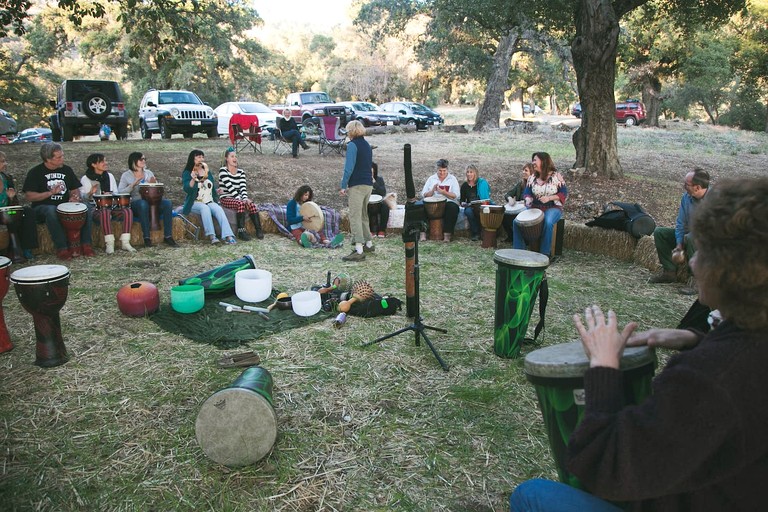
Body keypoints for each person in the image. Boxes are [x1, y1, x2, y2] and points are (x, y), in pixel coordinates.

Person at [509, 177, 768, 511]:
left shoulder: (707, 380)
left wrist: (603, 367)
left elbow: (606, 466)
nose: (691, 262)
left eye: (701, 252)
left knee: (531, 495)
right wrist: (695, 340)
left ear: (731, 272)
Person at [21, 142, 94, 260]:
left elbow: (74, 189)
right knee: (51, 210)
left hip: (65, 206)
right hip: (42, 207)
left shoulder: (67, 170)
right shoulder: (35, 172)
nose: (62, 159)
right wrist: (50, 193)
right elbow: (29, 196)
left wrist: (74, 197)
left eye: (62, 156)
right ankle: (62, 248)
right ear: (48, 159)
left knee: (87, 207)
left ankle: (86, 244)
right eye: (59, 157)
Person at [649, 168, 710, 296]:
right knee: (660, 233)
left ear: (697, 187)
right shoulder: (686, 198)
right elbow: (681, 224)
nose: (683, 187)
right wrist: (678, 245)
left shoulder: (716, 200)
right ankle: (669, 272)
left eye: (686, 184)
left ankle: (697, 282)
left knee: (691, 237)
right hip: (690, 236)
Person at [512, 152, 567, 259]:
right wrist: (527, 199)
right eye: (532, 160)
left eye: (535, 160)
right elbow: (527, 192)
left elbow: (563, 193)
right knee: (516, 221)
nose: (533, 163)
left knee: (548, 221)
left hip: (552, 207)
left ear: (543, 161)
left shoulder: (556, 176)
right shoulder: (532, 178)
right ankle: (519, 252)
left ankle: (545, 254)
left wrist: (549, 198)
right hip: (534, 207)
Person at [118, 152, 178, 248]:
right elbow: (120, 192)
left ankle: (168, 236)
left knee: (167, 203)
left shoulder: (149, 173)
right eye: (141, 159)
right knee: (143, 204)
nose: (143, 161)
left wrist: (154, 184)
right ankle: (146, 237)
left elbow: (156, 190)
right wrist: (133, 185)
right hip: (137, 204)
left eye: (144, 159)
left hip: (153, 203)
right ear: (134, 161)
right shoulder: (126, 175)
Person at [80, 153, 135, 254]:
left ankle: (125, 242)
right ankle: (110, 243)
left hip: (111, 206)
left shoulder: (109, 176)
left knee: (127, 211)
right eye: (102, 162)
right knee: (105, 212)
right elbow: (84, 199)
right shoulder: (86, 178)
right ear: (93, 164)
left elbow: (116, 193)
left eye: (105, 161)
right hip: (95, 208)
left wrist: (111, 194)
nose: (106, 163)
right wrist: (91, 192)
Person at [182, 149, 236, 245]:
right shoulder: (187, 172)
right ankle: (212, 236)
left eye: (202, 157)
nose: (201, 159)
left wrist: (216, 191)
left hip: (209, 200)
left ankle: (228, 236)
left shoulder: (206, 171)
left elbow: (209, 186)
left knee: (218, 209)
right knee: (205, 208)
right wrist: (193, 179)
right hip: (195, 202)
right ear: (193, 159)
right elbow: (187, 189)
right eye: (199, 157)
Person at [339, 120, 374, 262]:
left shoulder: (352, 145)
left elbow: (349, 168)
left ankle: (359, 249)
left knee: (355, 216)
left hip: (357, 185)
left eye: (347, 131)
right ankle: (369, 244)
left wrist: (343, 185)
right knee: (364, 215)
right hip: (368, 184)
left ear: (351, 131)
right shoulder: (367, 145)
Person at [218, 147, 264, 241]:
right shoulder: (223, 171)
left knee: (252, 205)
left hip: (238, 197)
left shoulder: (241, 172)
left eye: (235, 156)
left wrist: (245, 198)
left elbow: (243, 187)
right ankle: (241, 231)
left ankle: (258, 229)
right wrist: (241, 199)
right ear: (227, 158)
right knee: (241, 203)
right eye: (232, 156)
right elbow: (230, 188)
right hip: (226, 197)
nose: (235, 158)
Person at [0, 151, 38, 261]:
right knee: (10, 220)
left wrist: (11, 198)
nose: (5, 164)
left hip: (7, 211)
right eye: (2, 161)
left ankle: (26, 248)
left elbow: (14, 204)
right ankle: (13, 251)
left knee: (28, 212)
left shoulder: (6, 178)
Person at [420, 158, 460, 242]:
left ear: (447, 169)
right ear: (437, 169)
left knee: (453, 208)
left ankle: (447, 235)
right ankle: (422, 233)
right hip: (432, 202)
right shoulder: (431, 178)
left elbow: (456, 196)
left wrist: (444, 192)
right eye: (440, 170)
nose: (442, 173)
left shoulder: (452, 179)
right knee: (420, 206)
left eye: (444, 171)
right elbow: (423, 194)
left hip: (447, 202)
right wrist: (432, 191)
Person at [501, 163, 533, 244]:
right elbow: (508, 194)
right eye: (523, 170)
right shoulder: (520, 185)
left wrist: (524, 202)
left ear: (532, 173)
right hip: (518, 210)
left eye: (526, 171)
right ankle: (511, 236)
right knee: (503, 215)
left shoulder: (535, 185)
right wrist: (510, 199)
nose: (523, 172)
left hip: (528, 211)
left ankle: (525, 239)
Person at [460, 164, 492, 242]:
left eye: (471, 172)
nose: (469, 174)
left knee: (482, 210)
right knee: (468, 212)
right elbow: (462, 200)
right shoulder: (464, 186)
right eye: (467, 172)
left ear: (475, 173)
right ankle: (475, 233)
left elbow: (485, 198)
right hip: (470, 206)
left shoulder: (481, 183)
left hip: (481, 204)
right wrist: (463, 203)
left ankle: (485, 232)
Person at [370, 162, 390, 238]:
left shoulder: (379, 179)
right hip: (367, 202)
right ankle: (370, 230)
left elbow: (383, 192)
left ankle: (382, 230)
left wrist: (374, 182)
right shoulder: (363, 181)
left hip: (378, 201)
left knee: (385, 207)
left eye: (371, 172)